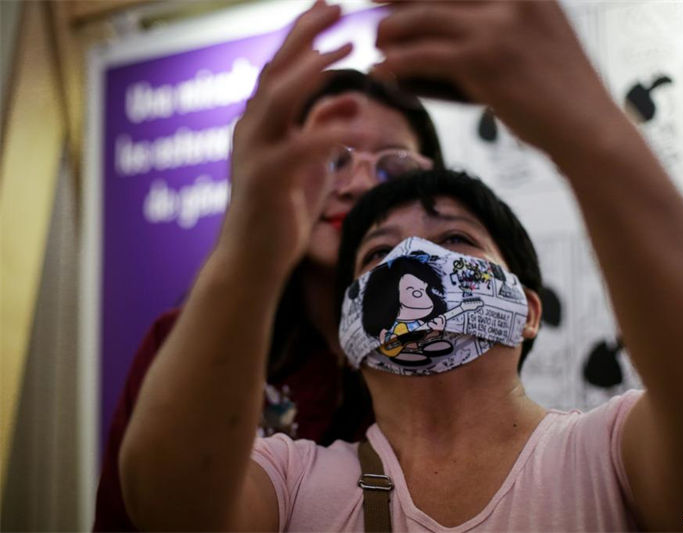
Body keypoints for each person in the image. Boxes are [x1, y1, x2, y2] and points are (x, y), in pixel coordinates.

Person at [119, 1, 683, 531]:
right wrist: (249, 247)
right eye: (376, 254)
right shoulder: (292, 481)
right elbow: (171, 504)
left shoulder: (608, 455)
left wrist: (585, 125)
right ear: (346, 337)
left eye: (454, 238)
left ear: (529, 310)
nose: (411, 259)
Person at [92, 6, 444, 531]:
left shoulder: (453, 360)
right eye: (331, 157)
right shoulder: (184, 345)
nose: (358, 185)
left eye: (393, 167)